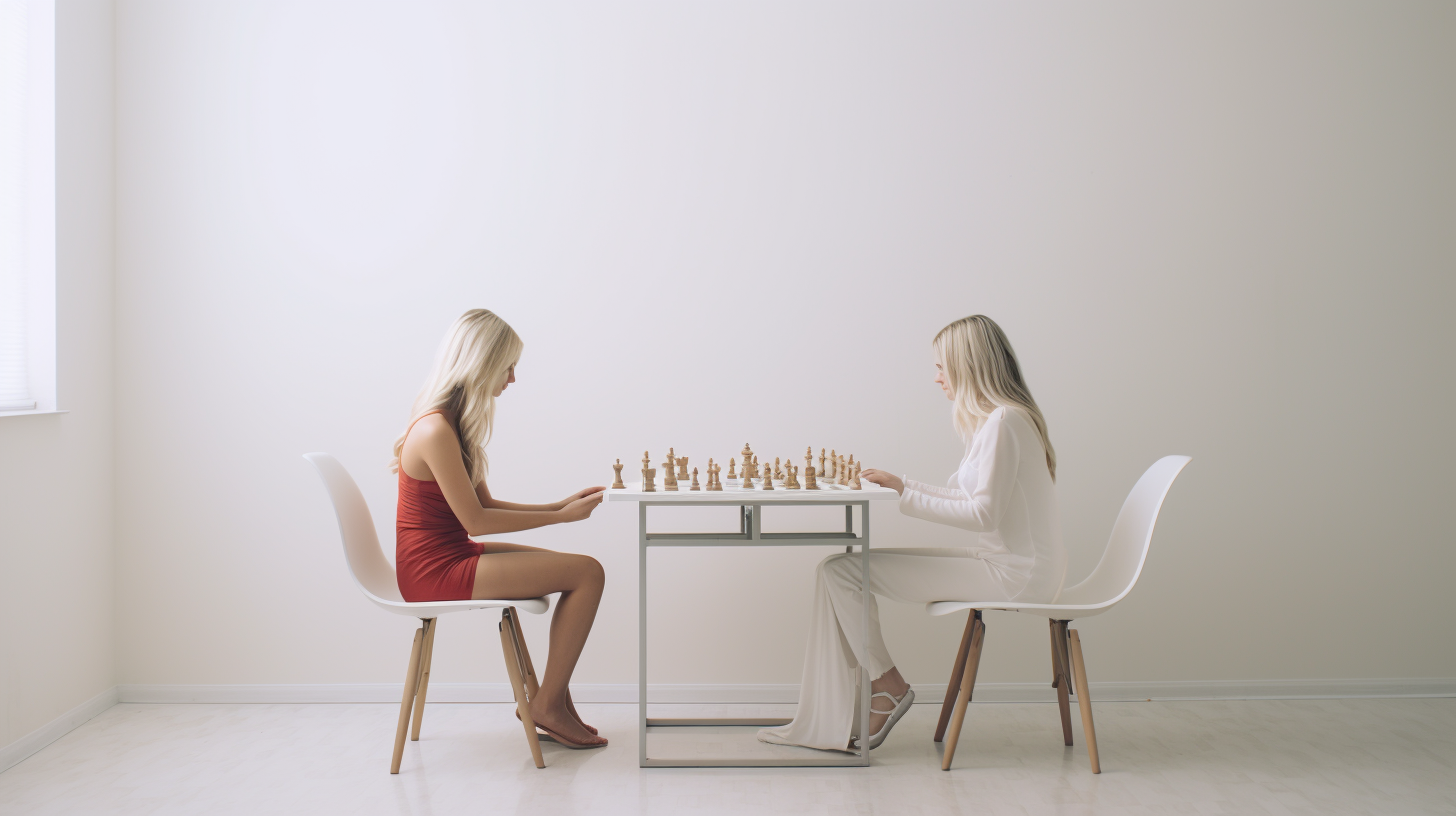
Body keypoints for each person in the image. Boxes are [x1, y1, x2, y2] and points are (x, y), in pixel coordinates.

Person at [758, 314, 1066, 752]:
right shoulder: (1001, 421)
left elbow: (983, 514)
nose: (937, 376)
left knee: (840, 573)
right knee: (838, 569)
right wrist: (904, 486)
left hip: (1016, 577)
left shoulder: (1003, 423)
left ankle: (888, 686)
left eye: (943, 366)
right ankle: (877, 688)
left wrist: (907, 496)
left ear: (968, 365)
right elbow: (976, 503)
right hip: (1011, 566)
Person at [392, 309, 608, 749]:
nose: (512, 378)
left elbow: (484, 505)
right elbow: (477, 521)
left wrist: (557, 504)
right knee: (587, 573)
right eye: (508, 366)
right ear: (482, 363)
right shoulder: (435, 430)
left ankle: (554, 703)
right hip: (433, 571)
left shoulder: (453, 427)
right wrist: (561, 518)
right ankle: (547, 705)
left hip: (454, 554)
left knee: (581, 570)